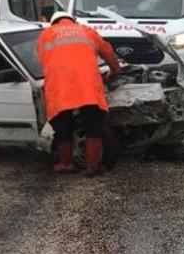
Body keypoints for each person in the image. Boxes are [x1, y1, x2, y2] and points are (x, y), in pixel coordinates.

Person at [37, 11, 121, 176]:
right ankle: (92, 167)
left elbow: (44, 61)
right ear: (72, 21)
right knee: (93, 127)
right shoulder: (87, 31)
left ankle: (67, 164)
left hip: (60, 88)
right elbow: (108, 52)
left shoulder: (44, 35)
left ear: (54, 23)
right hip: (87, 87)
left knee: (63, 128)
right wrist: (114, 72)